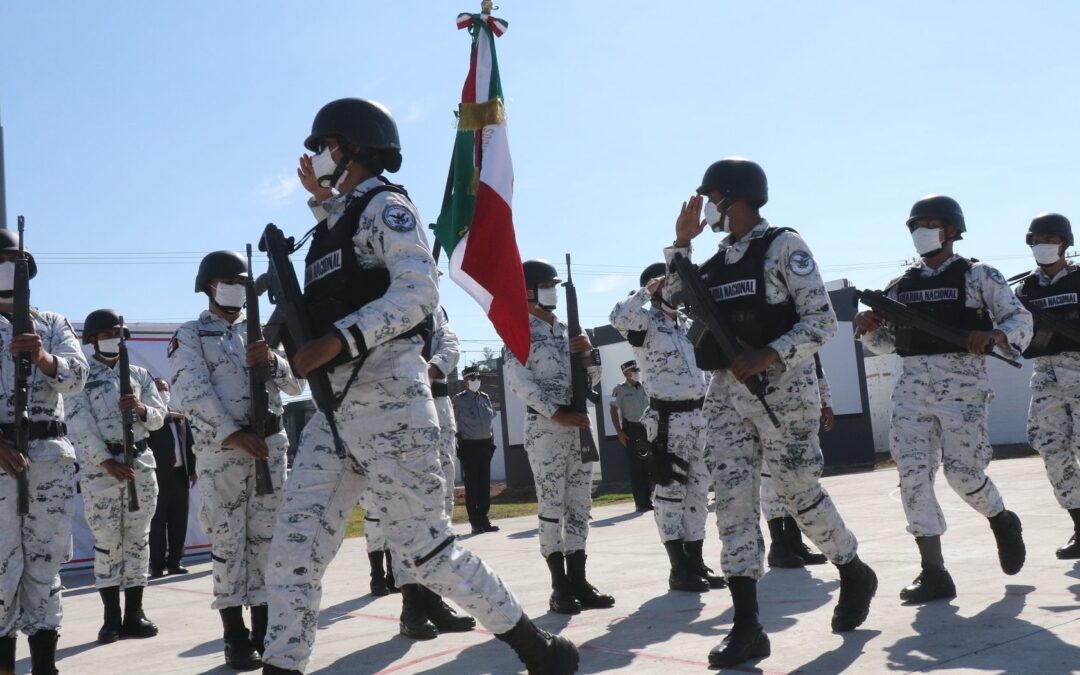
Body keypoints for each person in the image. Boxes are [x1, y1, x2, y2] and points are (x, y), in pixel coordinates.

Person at [261, 98, 577, 675]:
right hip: (334, 414)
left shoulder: (387, 208)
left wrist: (337, 340)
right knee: (291, 555)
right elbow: (344, 263)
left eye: (323, 145)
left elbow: (418, 293)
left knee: (427, 551)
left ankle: (537, 648)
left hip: (391, 404)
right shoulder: (333, 221)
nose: (316, 156)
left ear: (353, 148)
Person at [667, 158, 877, 668]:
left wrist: (769, 352)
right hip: (725, 396)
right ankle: (747, 626)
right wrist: (681, 246)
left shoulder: (785, 246)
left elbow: (822, 322)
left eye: (713, 197)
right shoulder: (714, 262)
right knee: (734, 505)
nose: (709, 207)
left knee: (798, 495)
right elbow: (672, 298)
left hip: (784, 392)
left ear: (734, 197)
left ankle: (852, 569)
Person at [856, 194, 1031, 604]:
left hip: (963, 387)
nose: (922, 232)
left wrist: (994, 336)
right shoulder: (901, 286)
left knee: (964, 476)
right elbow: (886, 344)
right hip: (912, 389)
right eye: (916, 225)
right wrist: (867, 327)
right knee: (913, 476)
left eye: (931, 224)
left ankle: (1002, 519)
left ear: (952, 231)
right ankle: (933, 572)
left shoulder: (979, 275)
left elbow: (1019, 318)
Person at [169, 250, 303, 669]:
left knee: (267, 543)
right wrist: (233, 433)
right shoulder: (191, 334)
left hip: (270, 447)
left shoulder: (261, 333)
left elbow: (298, 383)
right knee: (229, 544)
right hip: (223, 452)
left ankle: (264, 631)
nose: (236, 289)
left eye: (242, 282)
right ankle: (235, 636)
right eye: (228, 281)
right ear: (209, 286)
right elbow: (191, 391)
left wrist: (272, 359)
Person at [505, 258, 615, 616]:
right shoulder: (518, 330)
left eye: (555, 284)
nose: (552, 291)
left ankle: (579, 580)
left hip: (579, 425)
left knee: (580, 506)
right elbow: (520, 383)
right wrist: (557, 413)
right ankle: (559, 586)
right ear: (528, 290)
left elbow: (594, 379)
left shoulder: (567, 329)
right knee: (552, 506)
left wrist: (586, 354)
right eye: (546, 284)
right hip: (547, 428)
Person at [0, 231, 87, 675]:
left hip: (48, 458)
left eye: (15, 261)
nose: (7, 269)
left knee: (44, 565)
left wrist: (43, 358)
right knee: (0, 567)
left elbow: (78, 377)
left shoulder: (51, 322)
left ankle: (44, 666)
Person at [609, 263, 723, 593]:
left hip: (698, 418)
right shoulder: (645, 322)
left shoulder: (689, 324)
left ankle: (696, 561)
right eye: (670, 285)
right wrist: (648, 289)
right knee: (671, 494)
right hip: (668, 421)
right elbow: (617, 316)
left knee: (698, 492)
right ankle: (678, 568)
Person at [67, 309, 165, 645]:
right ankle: (110, 618)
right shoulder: (81, 377)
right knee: (109, 543)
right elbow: (78, 424)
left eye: (118, 332)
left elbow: (159, 418)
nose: (114, 338)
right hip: (103, 472)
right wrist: (105, 461)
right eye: (107, 333)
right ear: (92, 338)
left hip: (140, 466)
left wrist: (140, 409)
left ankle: (134, 613)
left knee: (139, 539)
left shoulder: (139, 374)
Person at [1014, 213, 1080, 558]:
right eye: (1037, 239)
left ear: (1065, 243)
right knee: (1052, 450)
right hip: (1046, 374)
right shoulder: (1025, 288)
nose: (1043, 246)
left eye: (1050, 239)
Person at [759, 354, 832, 568]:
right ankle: (778, 545)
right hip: (768, 412)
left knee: (798, 480)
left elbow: (816, 367)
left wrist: (826, 402)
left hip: (799, 414)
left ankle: (794, 541)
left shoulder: (800, 329)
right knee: (771, 480)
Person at [147, 378, 196, 578]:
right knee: (157, 523)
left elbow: (189, 444)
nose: (163, 392)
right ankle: (157, 566)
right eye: (159, 389)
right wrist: (168, 416)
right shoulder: (147, 414)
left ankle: (175, 562)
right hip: (158, 476)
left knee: (179, 522)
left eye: (165, 389)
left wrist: (192, 469)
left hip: (179, 475)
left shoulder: (180, 417)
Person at [453, 365, 499, 534]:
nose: (476, 381)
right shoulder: (458, 399)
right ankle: (475, 522)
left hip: (485, 445)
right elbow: (454, 424)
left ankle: (484, 519)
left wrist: (492, 442)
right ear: (465, 381)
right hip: (469, 446)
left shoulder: (485, 398)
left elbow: (490, 422)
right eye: (473, 379)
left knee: (484, 485)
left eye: (478, 378)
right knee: (472, 486)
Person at [608, 359, 653, 512]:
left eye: (637, 370)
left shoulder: (645, 386)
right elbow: (613, 410)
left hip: (647, 429)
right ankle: (640, 502)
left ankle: (648, 500)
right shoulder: (618, 389)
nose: (637, 373)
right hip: (631, 431)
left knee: (648, 466)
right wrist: (619, 432)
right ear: (626, 373)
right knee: (636, 467)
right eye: (634, 370)